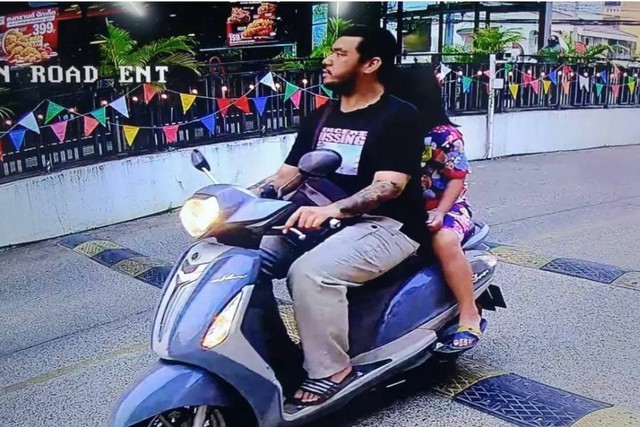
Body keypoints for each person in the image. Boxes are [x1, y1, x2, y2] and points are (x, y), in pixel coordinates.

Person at [249, 25, 428, 406]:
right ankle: (272, 350)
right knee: (246, 262)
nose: (327, 60)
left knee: (310, 272)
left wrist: (332, 210)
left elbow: (389, 186)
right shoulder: (321, 115)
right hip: (324, 218)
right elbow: (288, 174)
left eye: (340, 53)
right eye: (331, 52)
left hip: (388, 225)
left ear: (371, 64)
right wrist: (242, 201)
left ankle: (332, 369)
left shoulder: (399, 116)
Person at [391, 66, 485, 355]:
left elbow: (457, 178)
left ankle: (469, 313)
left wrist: (441, 212)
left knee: (443, 240)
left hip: (449, 208)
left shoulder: (445, 136)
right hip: (403, 208)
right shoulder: (393, 131)